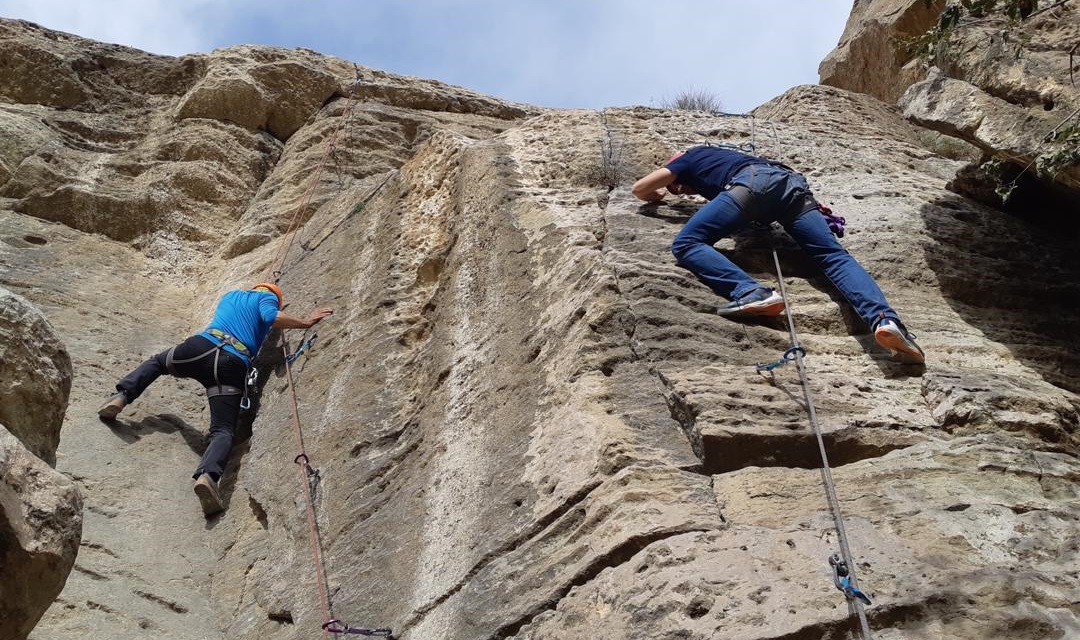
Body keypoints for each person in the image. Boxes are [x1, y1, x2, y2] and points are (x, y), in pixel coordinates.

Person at [632, 145, 924, 364]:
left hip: (751, 184)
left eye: (677, 185)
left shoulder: (691, 155)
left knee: (687, 243)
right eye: (676, 192)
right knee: (834, 257)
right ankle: (887, 322)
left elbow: (640, 187)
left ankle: (751, 293)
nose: (680, 191)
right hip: (792, 187)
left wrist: (656, 194)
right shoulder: (726, 160)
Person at [97, 283, 333, 516]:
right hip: (230, 363)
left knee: (158, 363)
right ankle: (208, 477)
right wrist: (305, 322)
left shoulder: (231, 296)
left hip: (200, 348)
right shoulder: (267, 298)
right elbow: (270, 316)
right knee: (223, 431)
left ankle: (121, 397)